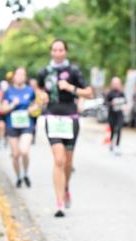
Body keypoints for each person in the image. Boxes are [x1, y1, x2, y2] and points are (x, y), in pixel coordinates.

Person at [34, 39, 93, 217]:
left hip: (70, 119)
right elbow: (38, 89)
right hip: (52, 118)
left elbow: (89, 93)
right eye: (55, 50)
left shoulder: (74, 71)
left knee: (67, 162)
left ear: (65, 52)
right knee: (58, 160)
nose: (58, 53)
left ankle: (66, 186)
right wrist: (41, 96)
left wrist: (70, 87)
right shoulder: (44, 72)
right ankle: (59, 203)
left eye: (61, 50)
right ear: (51, 52)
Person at [0, 67, 38, 188]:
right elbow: (3, 109)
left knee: (24, 151)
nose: (20, 77)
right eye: (18, 74)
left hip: (27, 124)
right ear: (13, 76)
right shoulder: (8, 92)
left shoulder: (30, 90)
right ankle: (19, 176)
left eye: (23, 75)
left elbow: (37, 106)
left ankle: (25, 173)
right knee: (15, 154)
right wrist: (12, 105)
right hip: (12, 125)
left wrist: (33, 109)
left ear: (25, 77)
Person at [104, 76, 126, 154]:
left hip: (119, 114)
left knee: (119, 129)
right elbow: (105, 103)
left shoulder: (121, 93)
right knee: (113, 130)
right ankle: (111, 143)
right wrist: (111, 103)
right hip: (112, 115)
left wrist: (124, 106)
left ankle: (117, 146)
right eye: (115, 83)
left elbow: (125, 102)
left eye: (117, 83)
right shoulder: (109, 93)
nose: (116, 85)